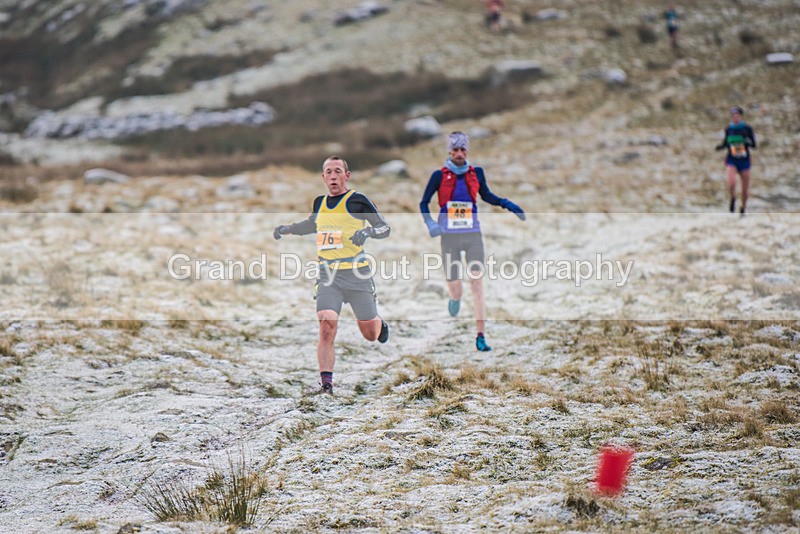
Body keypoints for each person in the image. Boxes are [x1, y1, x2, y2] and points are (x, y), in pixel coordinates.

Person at [273, 156, 390, 394]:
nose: (333, 176)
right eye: (329, 172)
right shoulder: (320, 203)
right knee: (326, 323)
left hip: (357, 275)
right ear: (323, 177)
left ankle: (379, 323)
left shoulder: (358, 200)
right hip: (328, 275)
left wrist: (367, 232)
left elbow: (384, 228)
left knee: (370, 335)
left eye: (338, 171)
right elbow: (312, 225)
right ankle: (326, 384)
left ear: (346, 175)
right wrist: (287, 229)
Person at [419, 132, 526, 352]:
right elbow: (423, 203)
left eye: (463, 150)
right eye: (455, 150)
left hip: (473, 235)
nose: (459, 154)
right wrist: (430, 223)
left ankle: (480, 336)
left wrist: (508, 204)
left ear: (467, 151)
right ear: (449, 151)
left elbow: (487, 195)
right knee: (456, 288)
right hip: (449, 237)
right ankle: (455, 299)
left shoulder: (476, 173)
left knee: (477, 284)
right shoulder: (438, 176)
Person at [715, 106, 756, 216]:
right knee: (732, 182)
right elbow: (726, 143)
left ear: (741, 116)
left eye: (737, 115)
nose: (735, 117)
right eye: (733, 115)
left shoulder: (747, 129)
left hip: (744, 160)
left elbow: (754, 144)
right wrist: (720, 147)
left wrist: (747, 142)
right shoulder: (729, 129)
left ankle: (743, 208)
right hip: (732, 159)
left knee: (745, 189)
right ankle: (733, 198)